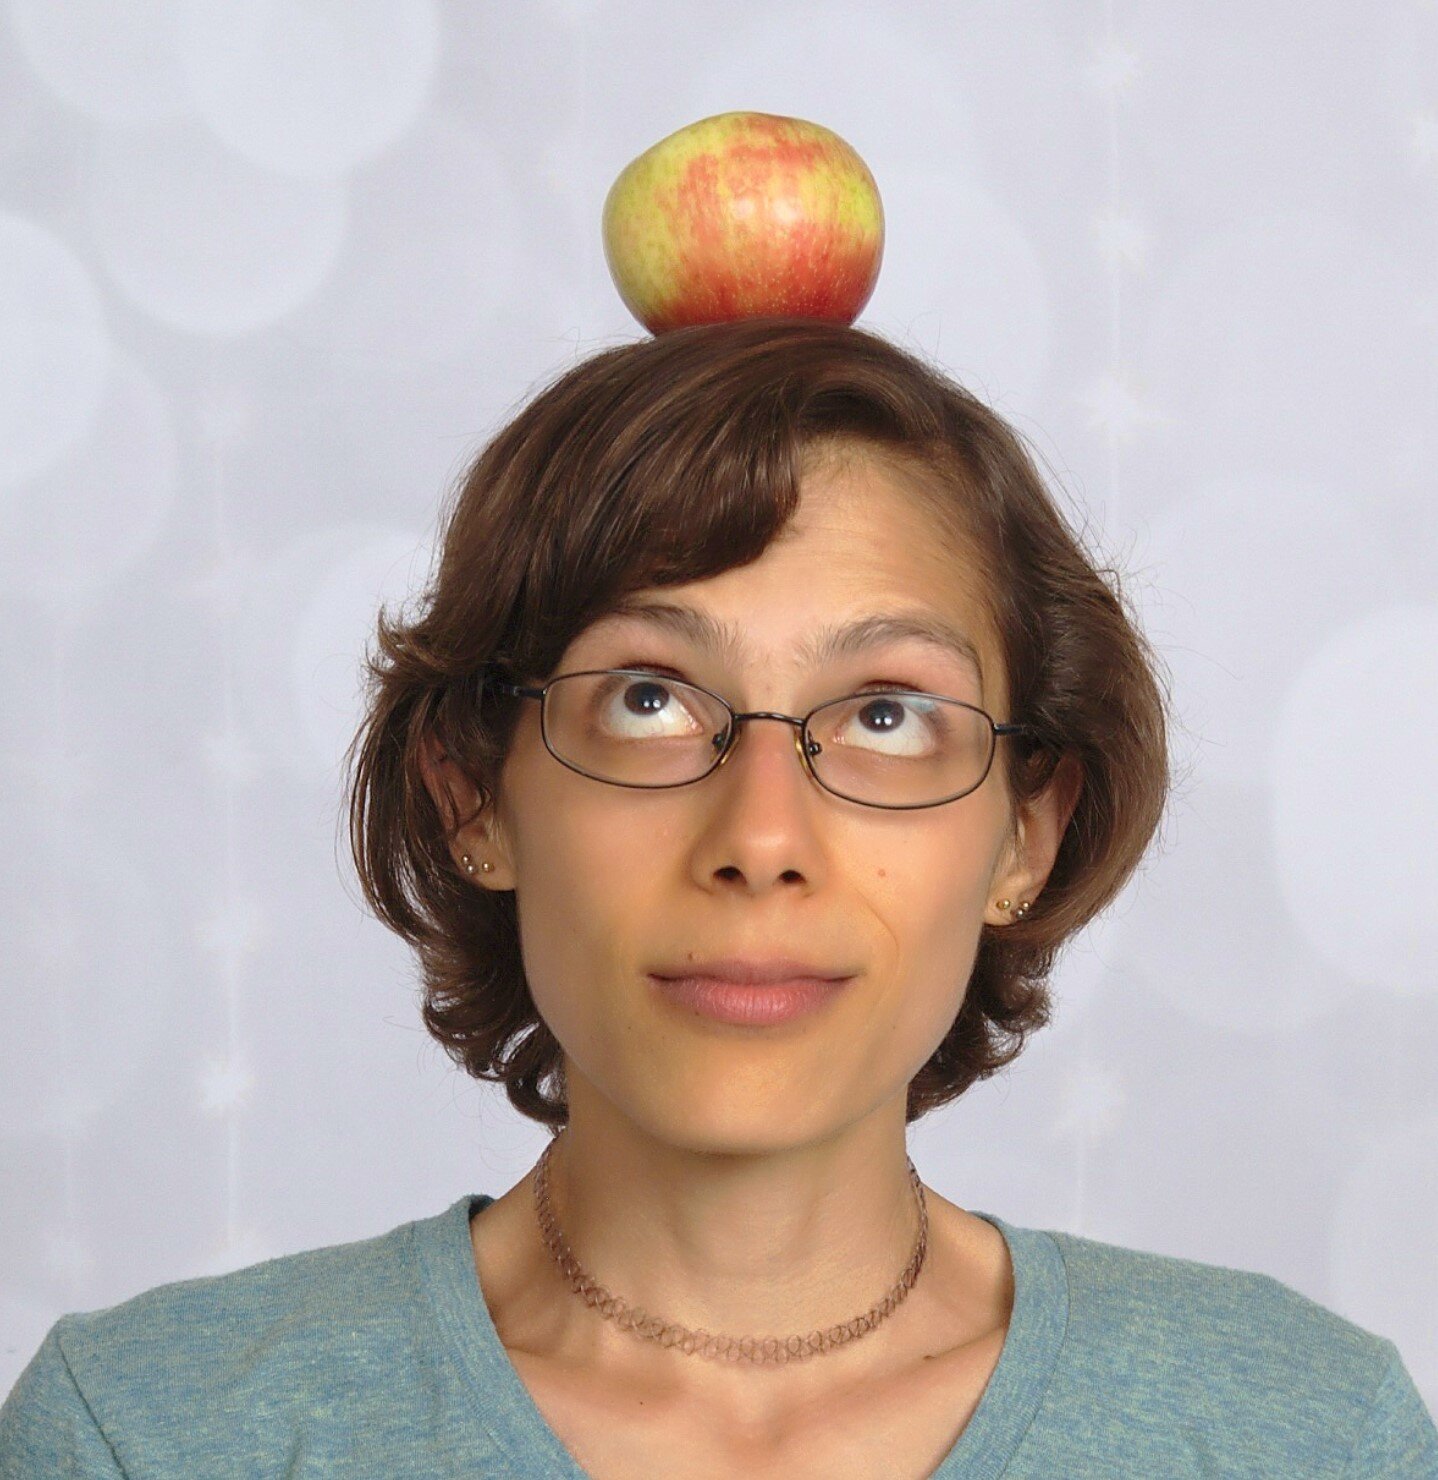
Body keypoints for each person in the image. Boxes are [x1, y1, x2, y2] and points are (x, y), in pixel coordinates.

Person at [2, 318, 1434, 1476]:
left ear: (1025, 832)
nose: (760, 838)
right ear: (474, 797)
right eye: (649, 698)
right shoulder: (150, 1433)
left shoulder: (1306, 1437)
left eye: (885, 714)